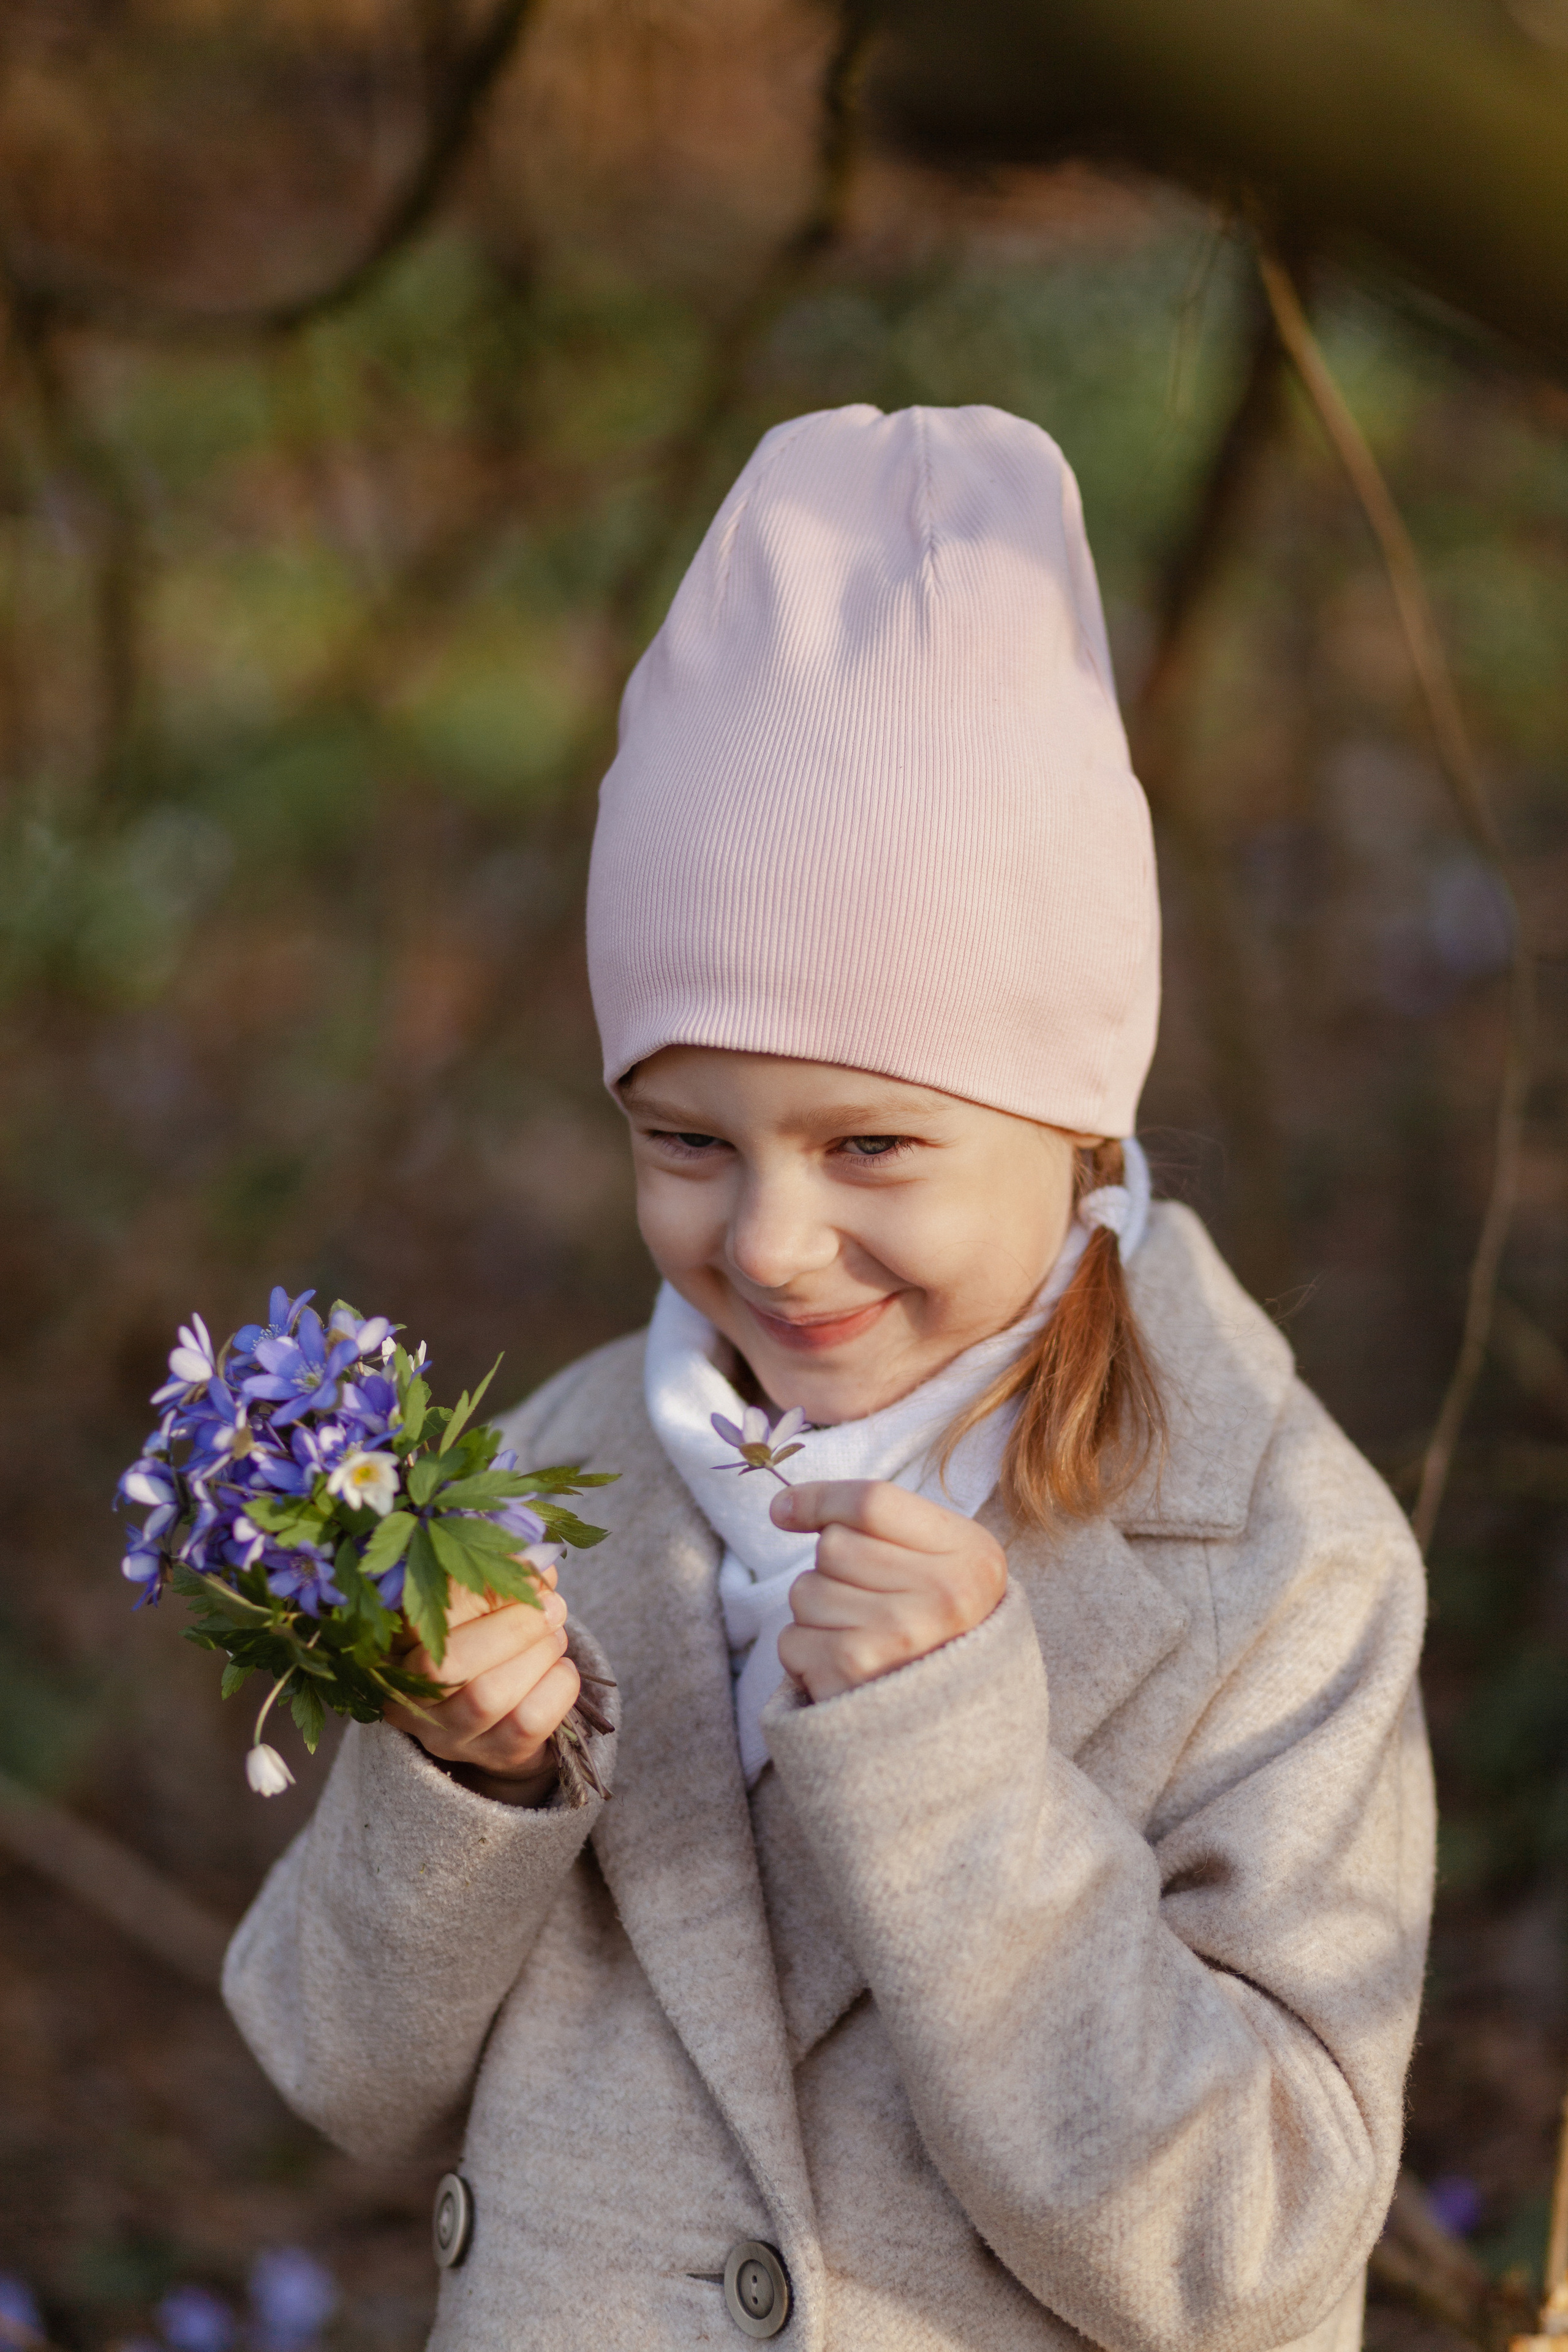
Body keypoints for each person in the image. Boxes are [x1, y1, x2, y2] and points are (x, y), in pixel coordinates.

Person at [224, 404, 1434, 2352]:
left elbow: (1257, 2256)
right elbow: (333, 2068)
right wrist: (458, 1775)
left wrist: (960, 1772)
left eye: (872, 1148)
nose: (772, 1243)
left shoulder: (1279, 1559)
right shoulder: (555, 1473)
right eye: (686, 1141)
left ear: (1074, 1125)